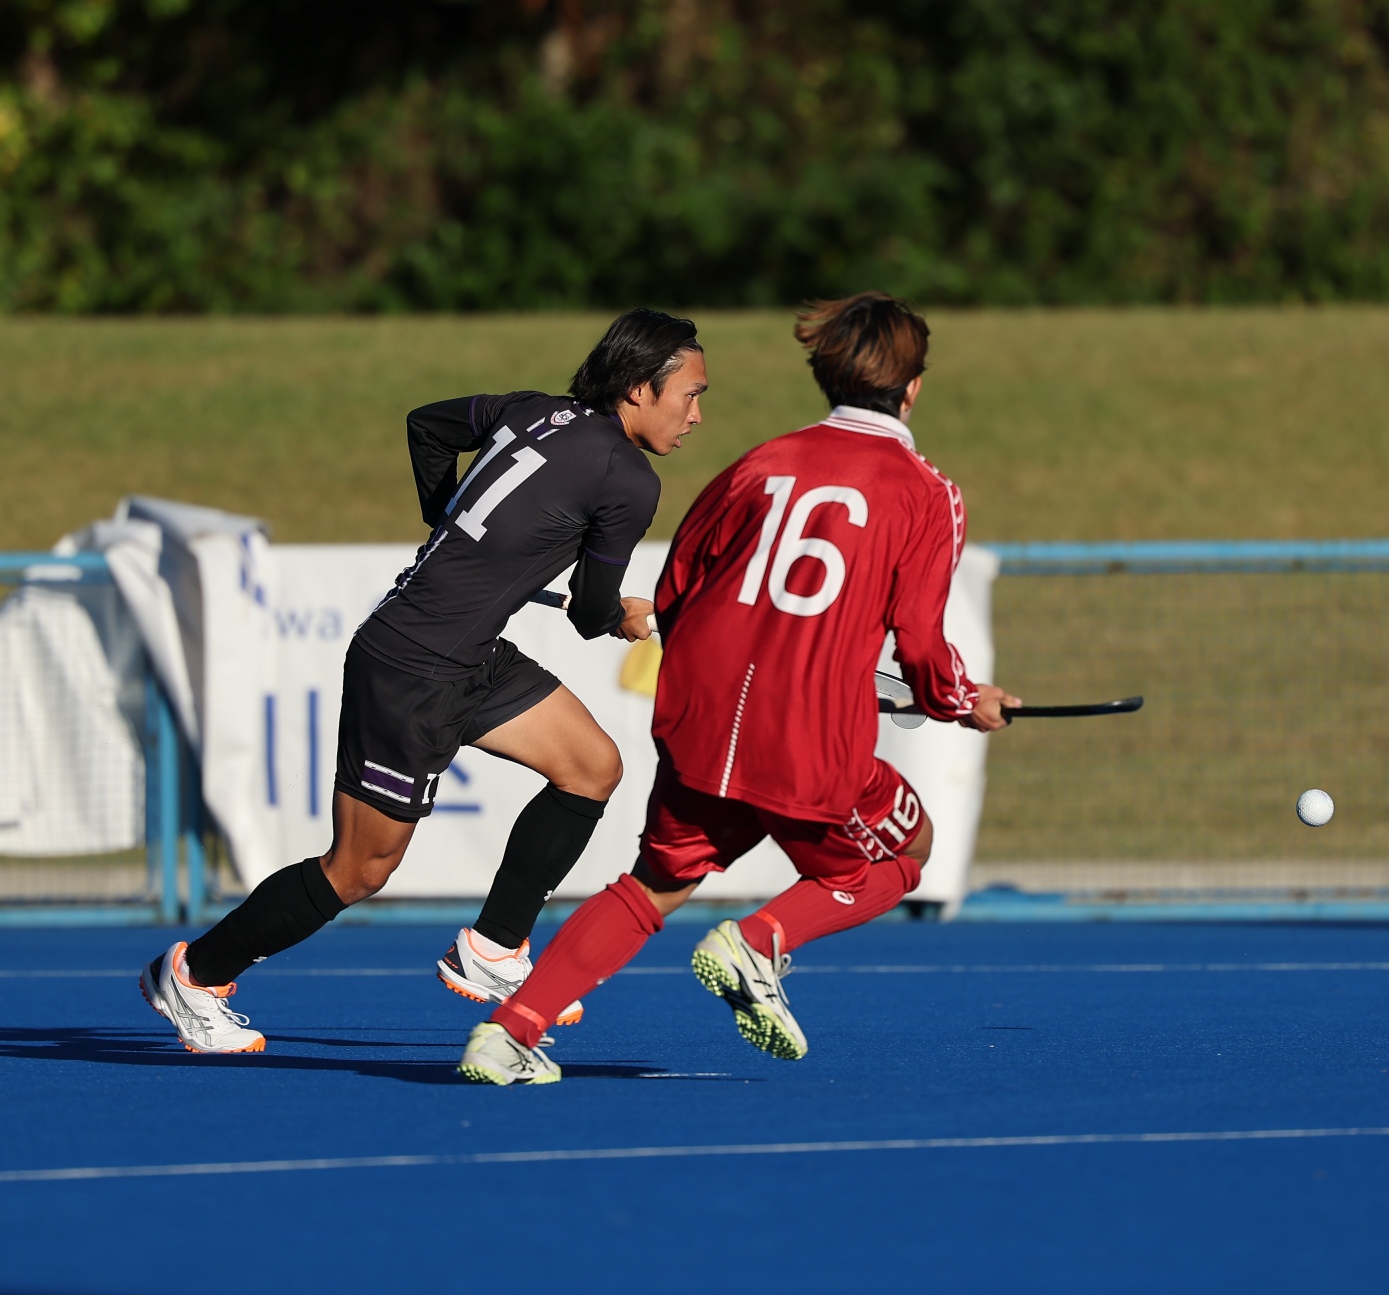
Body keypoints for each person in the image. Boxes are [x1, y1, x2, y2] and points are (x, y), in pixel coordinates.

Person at [458, 292, 1017, 1085]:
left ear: (828, 377)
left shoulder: (759, 462)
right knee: (904, 850)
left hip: (702, 713)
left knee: (657, 883)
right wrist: (961, 699)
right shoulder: (928, 492)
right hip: (806, 733)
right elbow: (922, 646)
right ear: (914, 386)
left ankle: (508, 1033)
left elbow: (679, 588)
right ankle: (758, 943)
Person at [140, 310, 707, 1052]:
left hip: (467, 657)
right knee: (358, 869)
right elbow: (588, 610)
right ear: (638, 388)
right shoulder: (628, 479)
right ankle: (195, 974)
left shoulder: (531, 409)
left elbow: (428, 426)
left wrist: (447, 517)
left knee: (591, 767)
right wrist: (620, 618)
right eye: (690, 395)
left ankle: (493, 947)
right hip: (411, 668)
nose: (696, 416)